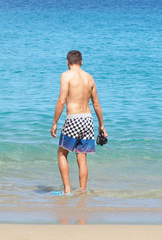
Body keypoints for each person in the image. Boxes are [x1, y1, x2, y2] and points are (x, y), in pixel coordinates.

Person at [50, 50, 108, 196]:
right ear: (81, 62)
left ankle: (67, 190)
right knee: (82, 157)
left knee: (62, 153)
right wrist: (102, 126)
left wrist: (55, 122)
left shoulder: (66, 76)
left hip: (73, 118)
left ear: (67, 62)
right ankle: (82, 191)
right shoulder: (90, 78)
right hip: (88, 119)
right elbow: (96, 105)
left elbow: (62, 100)